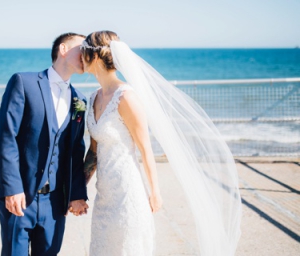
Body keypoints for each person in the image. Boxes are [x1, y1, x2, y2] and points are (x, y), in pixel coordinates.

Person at [81, 30, 242, 255]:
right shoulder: (93, 97)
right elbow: (94, 151)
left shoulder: (126, 97)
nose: (80, 55)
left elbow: (146, 148)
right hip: (104, 197)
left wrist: (155, 192)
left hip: (128, 194)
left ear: (95, 56)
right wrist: (78, 190)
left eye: (83, 50)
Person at [0, 32, 90, 256]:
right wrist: (12, 188)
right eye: (81, 48)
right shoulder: (23, 82)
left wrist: (77, 194)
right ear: (63, 49)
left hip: (55, 202)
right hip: (20, 195)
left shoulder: (80, 100)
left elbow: (76, 150)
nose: (87, 54)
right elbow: (6, 138)